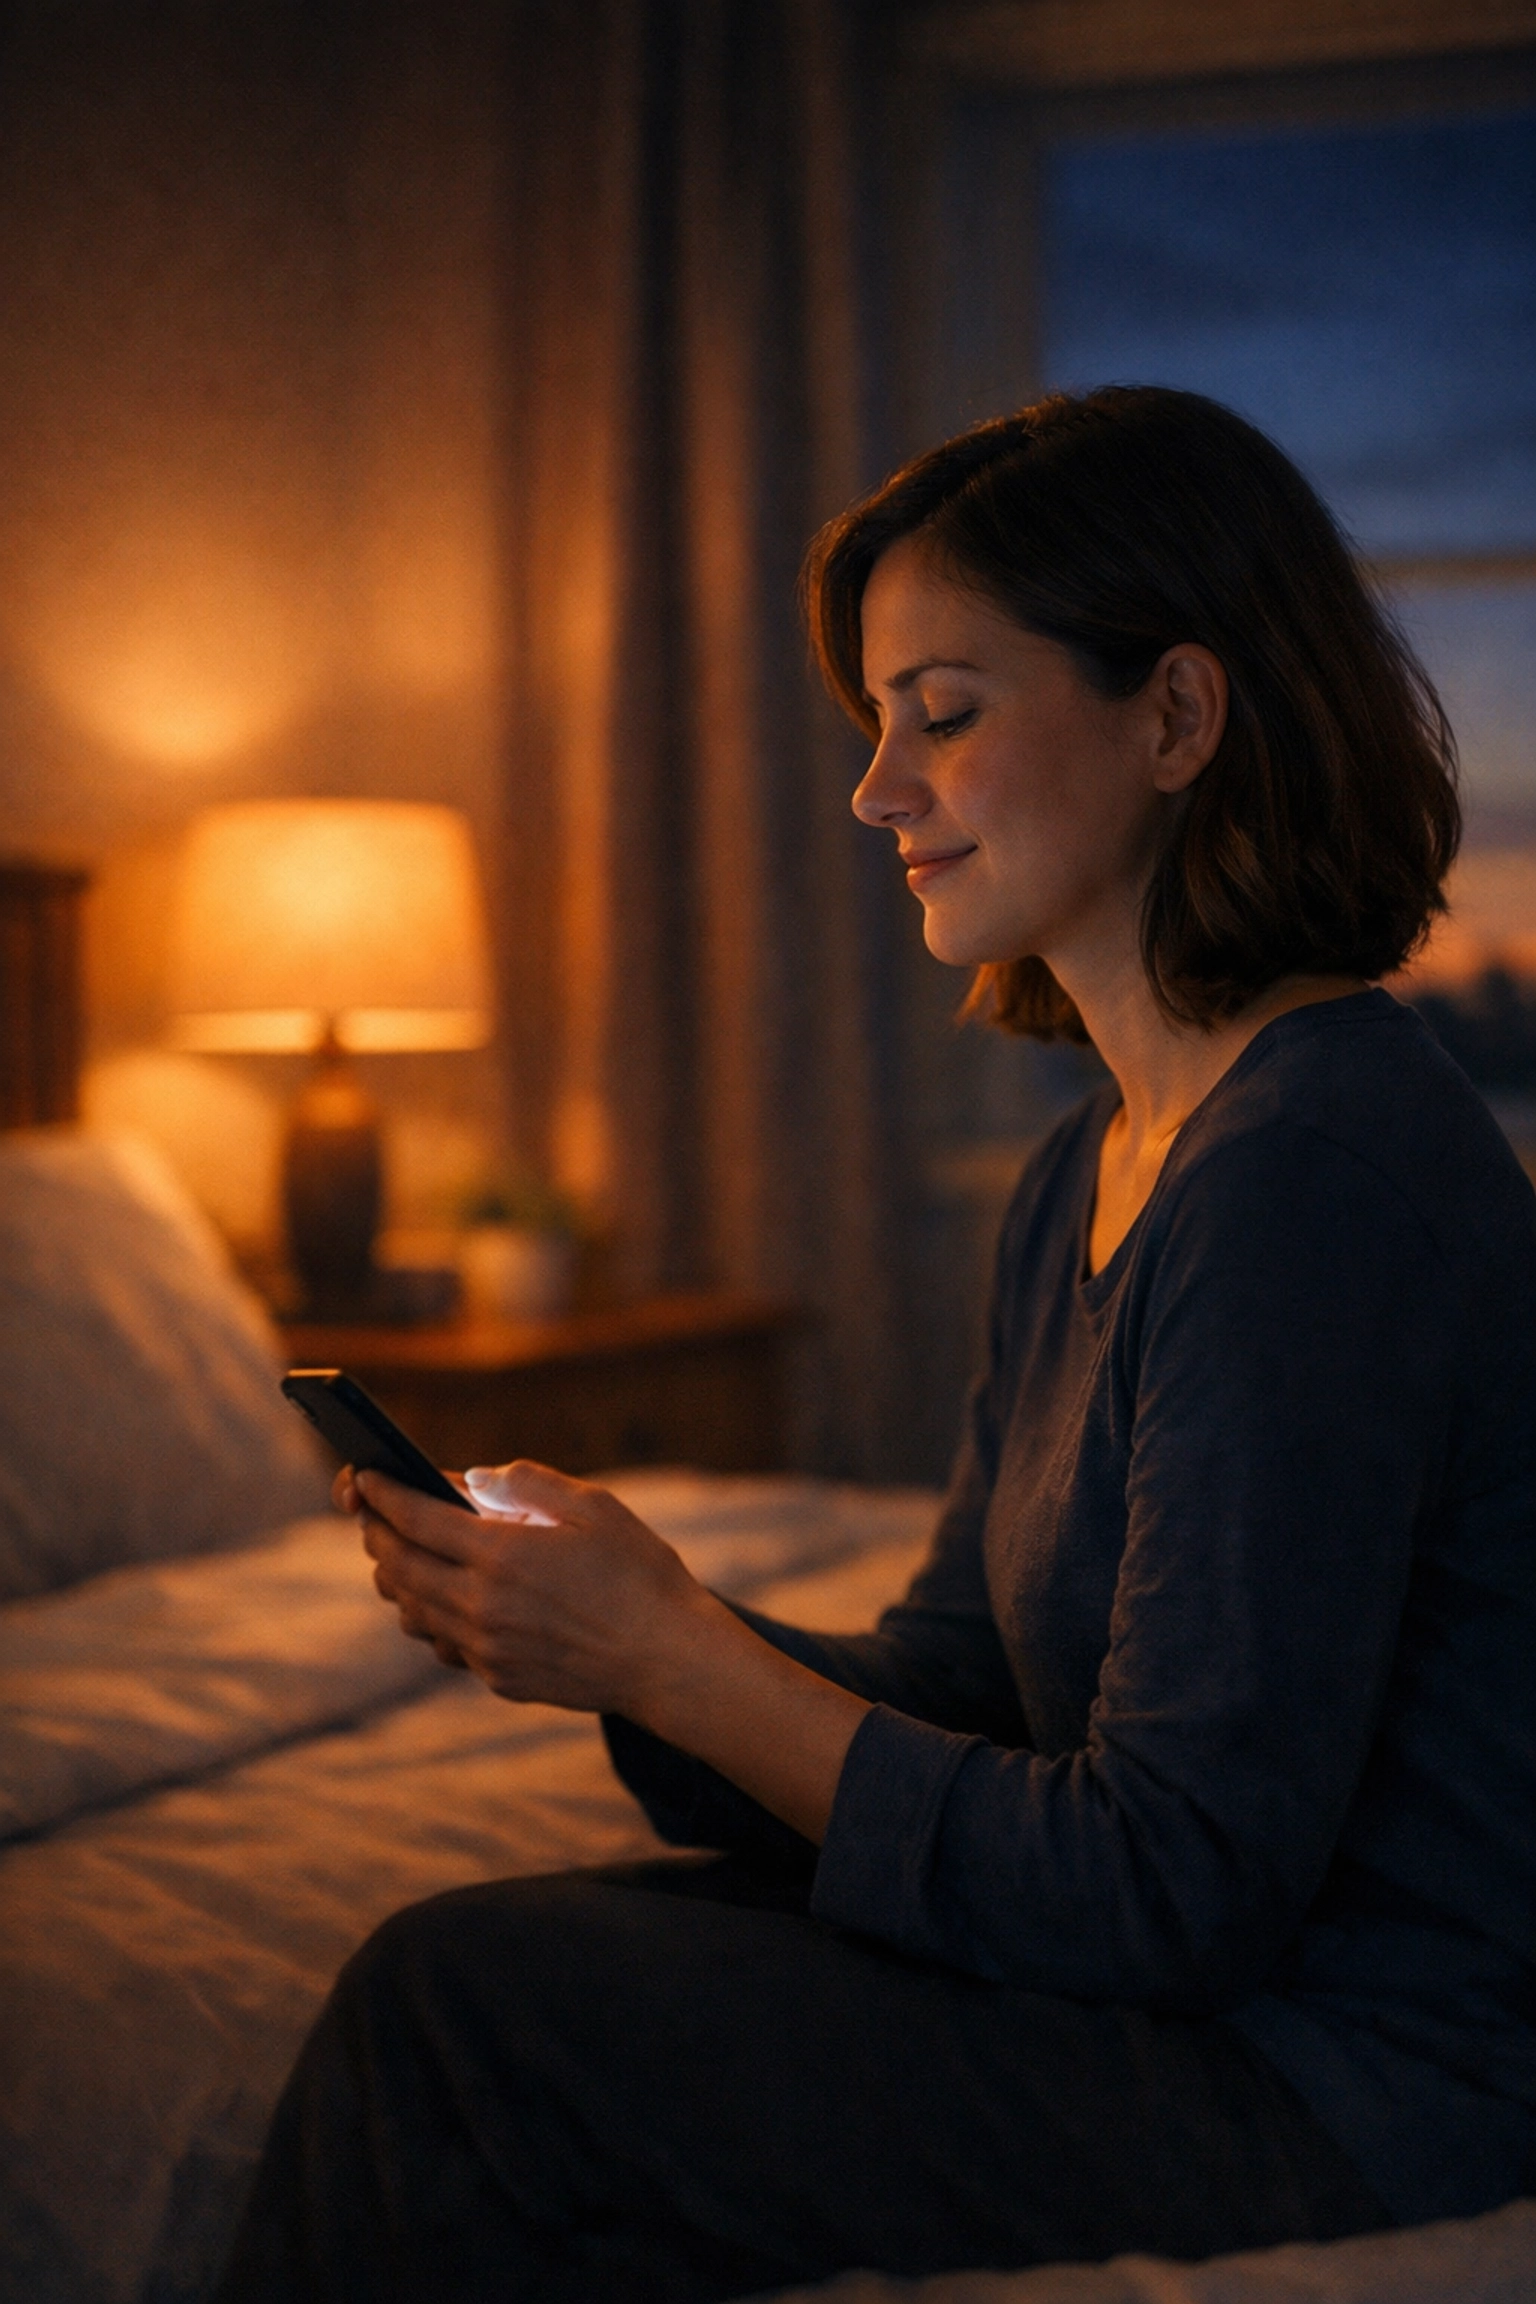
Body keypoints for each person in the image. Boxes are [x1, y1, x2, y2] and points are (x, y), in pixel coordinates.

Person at [214, 388, 1536, 2303]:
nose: (876, 789)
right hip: (1230, 2010)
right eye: (877, 722)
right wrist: (632, 1625)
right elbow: (964, 1677)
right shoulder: (1103, 1155)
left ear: (1177, 716)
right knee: (542, 1957)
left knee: (466, 2009)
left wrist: (672, 1657)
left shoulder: (1309, 1178)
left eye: (946, 711)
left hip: (1349, 2071)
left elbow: (1171, 1890)